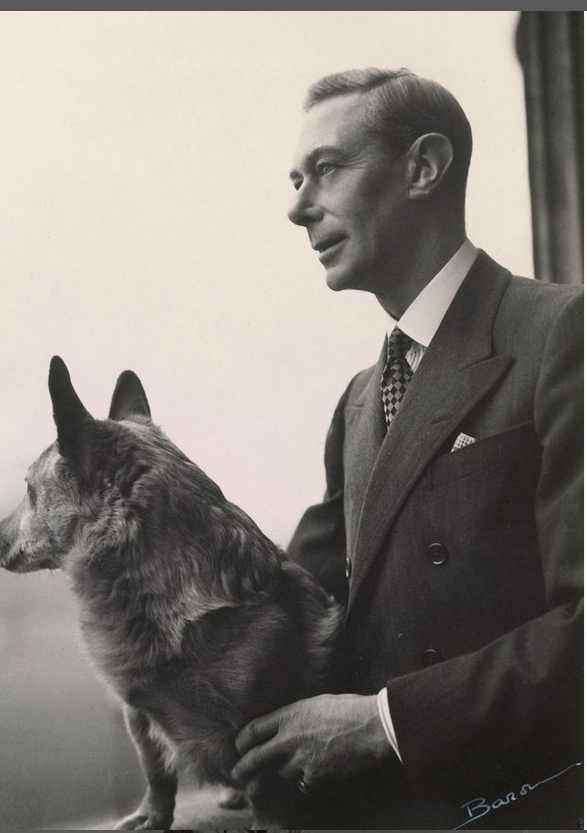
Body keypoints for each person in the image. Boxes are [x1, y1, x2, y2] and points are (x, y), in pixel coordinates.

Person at [231, 68, 583, 829]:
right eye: (295, 179)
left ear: (423, 168)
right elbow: (292, 609)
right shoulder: (359, 401)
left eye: (325, 169)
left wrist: (386, 723)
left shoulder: (562, 334)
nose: (296, 208)